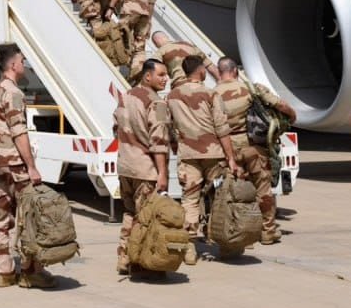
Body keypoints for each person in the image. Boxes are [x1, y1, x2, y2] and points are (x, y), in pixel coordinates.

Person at [0, 46, 56, 289]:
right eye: (22, 61)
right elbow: (19, 132)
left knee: (1, 217)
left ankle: (4, 271)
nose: (24, 64)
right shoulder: (13, 93)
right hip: (14, 164)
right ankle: (30, 271)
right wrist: (32, 167)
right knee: (29, 217)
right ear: (13, 66)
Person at [213, 58, 296, 246]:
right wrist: (292, 115)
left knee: (232, 192)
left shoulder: (212, 94)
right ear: (235, 71)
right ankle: (267, 231)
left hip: (227, 149)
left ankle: (240, 230)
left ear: (219, 72)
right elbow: (280, 105)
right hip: (252, 146)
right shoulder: (250, 89)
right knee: (263, 189)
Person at [167, 57, 243, 260]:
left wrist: (176, 147)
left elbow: (168, 126)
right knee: (219, 198)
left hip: (188, 155)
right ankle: (224, 243)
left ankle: (190, 248)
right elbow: (221, 128)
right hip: (214, 155)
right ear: (200, 71)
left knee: (190, 199)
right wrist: (231, 158)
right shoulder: (211, 94)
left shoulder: (172, 96)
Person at [115, 59, 172, 276]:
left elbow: (116, 125)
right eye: (161, 74)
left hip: (125, 166)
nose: (166, 78)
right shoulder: (156, 103)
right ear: (148, 76)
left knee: (130, 213)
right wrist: (163, 174)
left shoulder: (125, 96)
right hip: (145, 169)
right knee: (147, 217)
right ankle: (144, 262)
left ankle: (124, 257)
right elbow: (159, 141)